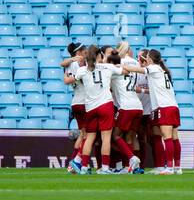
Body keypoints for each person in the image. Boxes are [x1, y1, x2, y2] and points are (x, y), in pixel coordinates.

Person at [67, 45, 124, 175]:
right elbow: (124, 71)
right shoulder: (107, 67)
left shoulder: (82, 70)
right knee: (106, 138)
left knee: (90, 138)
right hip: (105, 105)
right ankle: (104, 168)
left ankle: (83, 167)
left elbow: (71, 80)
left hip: (90, 107)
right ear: (100, 56)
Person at [125, 48, 182, 174]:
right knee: (174, 137)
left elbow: (138, 69)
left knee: (167, 138)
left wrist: (123, 66)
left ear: (150, 58)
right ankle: (177, 167)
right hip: (173, 106)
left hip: (164, 107)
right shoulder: (162, 71)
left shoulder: (154, 68)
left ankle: (169, 168)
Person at [106, 47, 144, 173]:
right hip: (138, 107)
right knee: (129, 137)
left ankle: (132, 158)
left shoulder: (114, 72)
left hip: (126, 107)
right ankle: (130, 167)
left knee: (115, 135)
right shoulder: (129, 72)